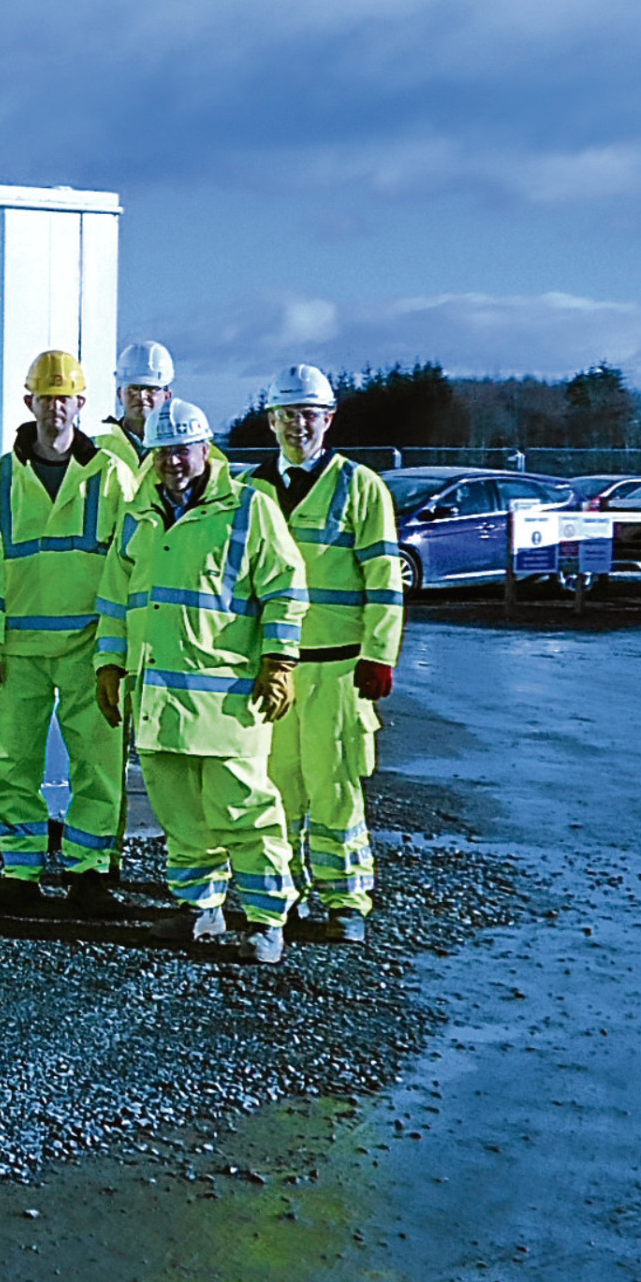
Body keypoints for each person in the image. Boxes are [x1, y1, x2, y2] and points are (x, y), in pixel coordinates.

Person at [96, 399, 308, 964]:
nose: (173, 463)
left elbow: (285, 588)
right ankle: (199, 909)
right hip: (159, 702)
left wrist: (279, 661)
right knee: (180, 815)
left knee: (244, 811)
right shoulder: (138, 514)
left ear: (205, 448)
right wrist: (109, 664)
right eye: (163, 452)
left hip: (227, 701)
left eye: (184, 450)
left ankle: (266, 919)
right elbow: (117, 600)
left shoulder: (248, 507)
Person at [243, 364, 404, 944]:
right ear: (272, 421)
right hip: (273, 669)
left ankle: (345, 900)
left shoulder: (360, 487)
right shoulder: (251, 489)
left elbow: (385, 577)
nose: (298, 425)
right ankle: (277, 896)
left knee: (335, 786)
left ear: (329, 419)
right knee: (272, 787)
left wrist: (379, 652)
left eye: (309, 414)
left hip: (338, 667)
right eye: (287, 415)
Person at [0, 349, 136, 911]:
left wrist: (118, 651)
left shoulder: (112, 476)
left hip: (87, 647)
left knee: (94, 761)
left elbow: (127, 566)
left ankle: (89, 871)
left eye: (64, 399)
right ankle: (20, 872)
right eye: (45, 399)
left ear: (80, 405)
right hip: (17, 646)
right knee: (13, 761)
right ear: (30, 403)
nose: (55, 410)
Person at [95, 341, 176, 476]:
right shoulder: (97, 445)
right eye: (133, 389)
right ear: (120, 394)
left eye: (151, 389)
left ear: (167, 396)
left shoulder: (182, 449)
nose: (141, 396)